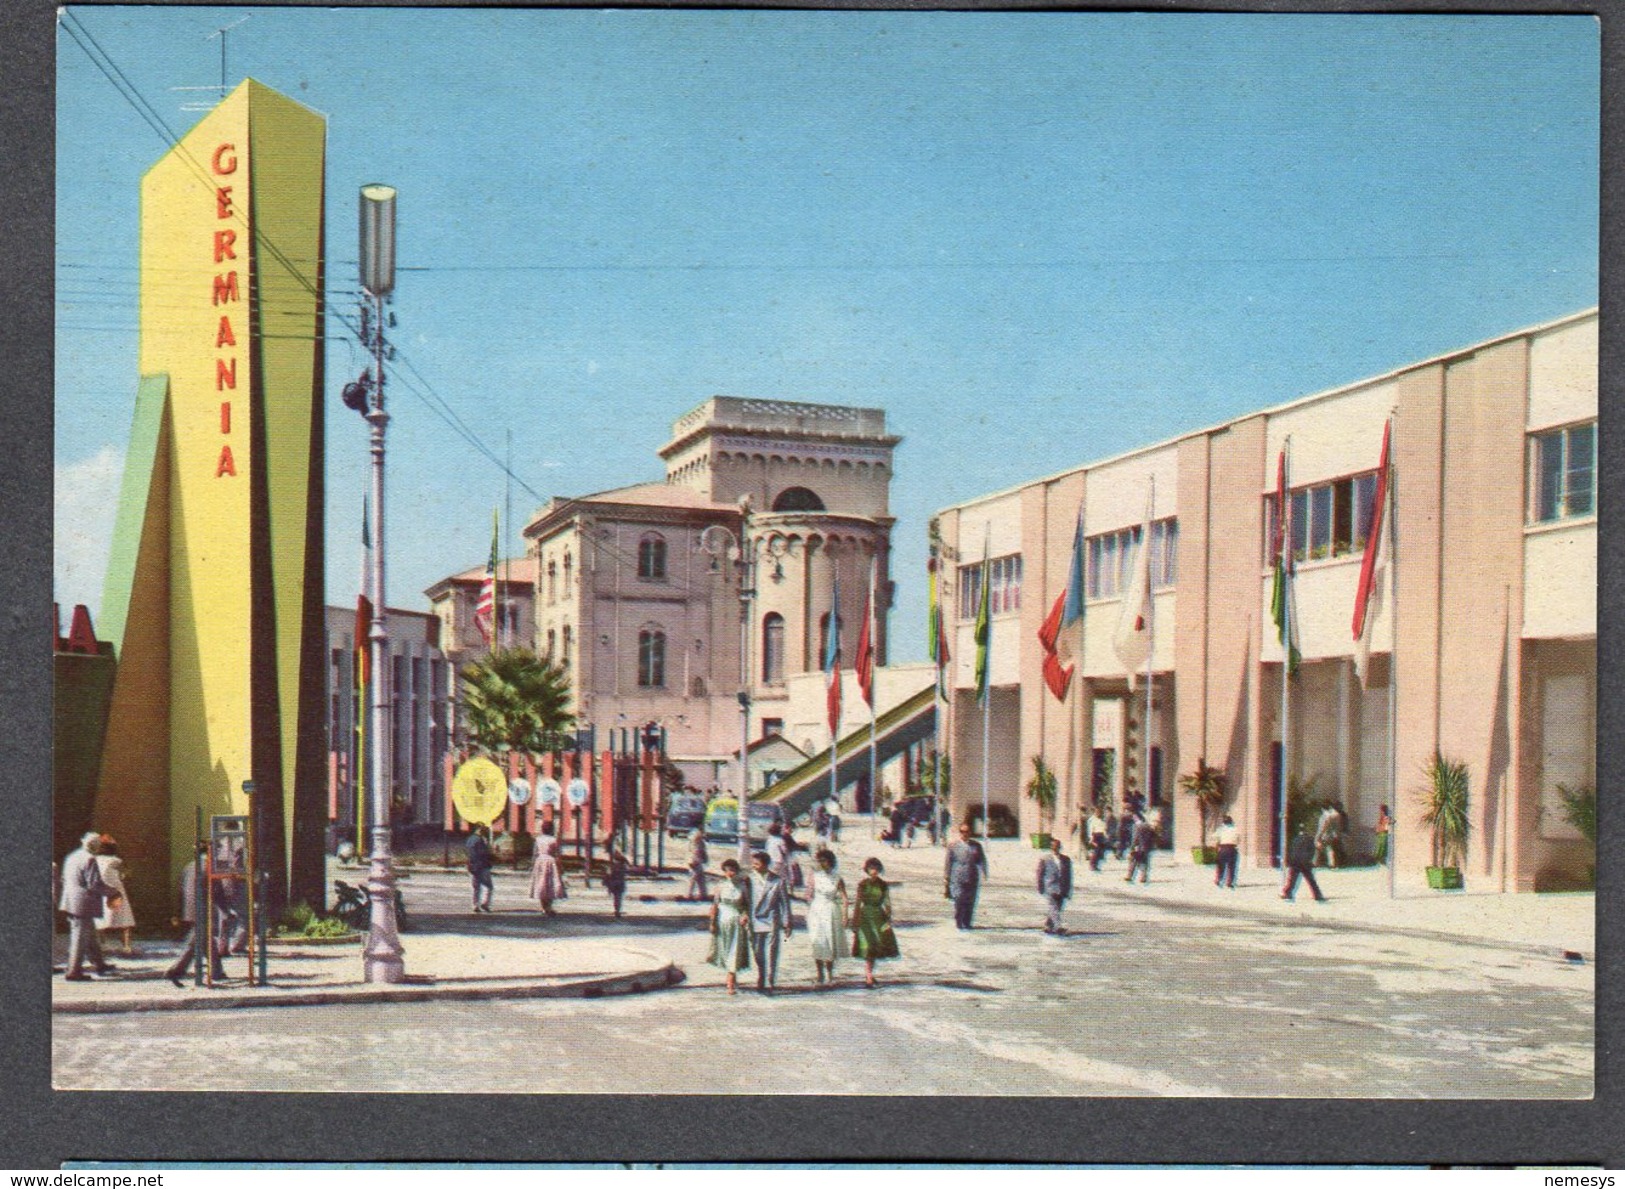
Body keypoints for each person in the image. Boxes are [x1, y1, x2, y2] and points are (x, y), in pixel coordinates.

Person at [165, 846, 226, 988]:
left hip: (189, 909)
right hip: (203, 908)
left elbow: (180, 889)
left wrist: (178, 911)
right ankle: (175, 971)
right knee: (195, 942)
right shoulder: (209, 867)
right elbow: (217, 891)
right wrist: (225, 909)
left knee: (206, 940)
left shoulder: (189, 866)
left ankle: (217, 970)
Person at [59, 832, 114, 981]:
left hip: (71, 901)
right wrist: (113, 892)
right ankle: (73, 972)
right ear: (95, 846)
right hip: (83, 904)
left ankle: (100, 964)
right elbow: (95, 884)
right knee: (79, 938)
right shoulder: (90, 859)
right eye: (99, 844)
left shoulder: (73, 856)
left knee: (89, 935)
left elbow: (64, 879)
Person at [745, 850, 792, 993]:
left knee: (772, 950)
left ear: (765, 865)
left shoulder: (778, 881)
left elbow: (785, 903)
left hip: (772, 918)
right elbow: (744, 900)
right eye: (753, 863)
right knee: (757, 950)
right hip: (755, 919)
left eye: (757, 864)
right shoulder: (749, 879)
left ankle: (771, 978)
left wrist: (787, 923)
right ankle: (761, 973)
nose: (754, 866)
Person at [851, 856, 900, 987]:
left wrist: (888, 919)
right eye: (871, 868)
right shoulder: (862, 884)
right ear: (867, 869)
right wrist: (854, 921)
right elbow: (858, 903)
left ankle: (869, 974)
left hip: (878, 917)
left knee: (875, 949)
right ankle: (868, 977)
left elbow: (887, 902)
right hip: (865, 917)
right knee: (867, 948)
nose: (874, 871)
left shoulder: (883, 885)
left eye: (876, 868)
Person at [707, 858, 752, 994]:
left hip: (736, 921)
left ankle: (730, 982)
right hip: (722, 920)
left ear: (737, 871)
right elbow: (715, 905)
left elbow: (747, 906)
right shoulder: (720, 886)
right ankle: (732, 975)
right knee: (725, 950)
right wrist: (712, 923)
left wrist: (745, 915)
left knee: (734, 950)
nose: (730, 873)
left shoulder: (742, 887)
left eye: (732, 870)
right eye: (727, 871)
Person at [806, 848, 849, 986]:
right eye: (819, 861)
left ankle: (830, 974)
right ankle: (819, 974)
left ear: (830, 861)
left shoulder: (837, 877)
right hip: (816, 910)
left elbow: (844, 898)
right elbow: (809, 894)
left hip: (831, 910)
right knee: (817, 941)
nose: (821, 863)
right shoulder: (815, 876)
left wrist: (845, 915)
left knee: (830, 941)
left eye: (823, 860)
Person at [94, 836, 137, 955]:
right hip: (117, 890)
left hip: (102, 890)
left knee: (100, 918)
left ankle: (102, 944)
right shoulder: (117, 860)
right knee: (124, 918)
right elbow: (126, 875)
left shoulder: (95, 860)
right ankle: (127, 946)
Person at [944, 822, 988, 930]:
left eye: (967, 832)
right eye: (962, 832)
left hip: (972, 876)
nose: (964, 834)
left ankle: (967, 922)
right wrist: (946, 877)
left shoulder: (976, 845)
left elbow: (982, 860)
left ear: (970, 832)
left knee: (970, 901)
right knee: (959, 900)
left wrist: (984, 872)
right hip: (957, 877)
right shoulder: (953, 846)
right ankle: (959, 922)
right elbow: (948, 862)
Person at [1036, 836, 1073, 935]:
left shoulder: (1066, 859)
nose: (1055, 848)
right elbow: (1040, 873)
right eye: (1053, 846)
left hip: (1062, 887)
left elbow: (1069, 875)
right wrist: (1040, 886)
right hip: (1050, 886)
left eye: (1057, 846)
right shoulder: (1045, 859)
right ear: (1051, 847)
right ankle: (1058, 927)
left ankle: (1048, 925)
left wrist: (1069, 890)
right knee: (1053, 907)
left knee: (1058, 907)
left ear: (1060, 847)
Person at [528, 821, 567, 915]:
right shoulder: (554, 840)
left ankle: (544, 907)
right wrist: (561, 866)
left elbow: (535, 853)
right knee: (551, 884)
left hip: (540, 861)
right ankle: (548, 907)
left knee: (541, 883)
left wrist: (532, 864)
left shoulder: (538, 839)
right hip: (551, 861)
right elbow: (557, 854)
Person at [1282, 823, 1327, 901]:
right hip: (1304, 863)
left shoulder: (1295, 839)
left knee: (1292, 879)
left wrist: (1289, 861)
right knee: (1311, 880)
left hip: (1295, 862)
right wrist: (1310, 861)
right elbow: (1311, 851)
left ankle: (1287, 893)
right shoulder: (1310, 839)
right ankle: (1317, 895)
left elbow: (1291, 851)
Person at [466, 825, 494, 913]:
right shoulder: (481, 840)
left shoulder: (470, 839)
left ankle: (475, 905)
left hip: (473, 865)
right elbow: (483, 853)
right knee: (489, 886)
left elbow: (469, 853)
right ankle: (485, 904)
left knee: (476, 887)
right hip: (482, 866)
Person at [1124, 813, 1156, 884]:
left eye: (1134, 818)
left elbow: (1135, 838)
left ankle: (1129, 876)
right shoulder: (1148, 826)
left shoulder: (1137, 826)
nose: (1133, 819)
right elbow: (1153, 837)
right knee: (1144, 862)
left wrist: (1132, 847)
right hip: (1146, 847)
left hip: (1138, 847)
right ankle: (1143, 877)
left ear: (1138, 818)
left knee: (1133, 861)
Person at [1213, 814, 1240, 889]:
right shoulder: (1236, 829)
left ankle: (1218, 880)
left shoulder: (1221, 829)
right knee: (1231, 866)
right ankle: (1229, 882)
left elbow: (1214, 837)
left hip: (1223, 848)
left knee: (1221, 866)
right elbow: (1238, 840)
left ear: (1223, 822)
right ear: (1231, 822)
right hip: (1232, 848)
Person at [1315, 803, 1344, 868]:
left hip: (1327, 834)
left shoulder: (1329, 815)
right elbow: (1339, 826)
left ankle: (1316, 862)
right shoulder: (1338, 815)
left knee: (1322, 847)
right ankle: (1333, 863)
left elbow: (1325, 825)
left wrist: (1320, 835)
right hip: (1335, 834)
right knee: (1332, 848)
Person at [604, 847, 629, 918]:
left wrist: (606, 882)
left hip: (614, 883)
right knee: (619, 897)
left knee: (616, 897)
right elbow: (626, 872)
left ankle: (617, 910)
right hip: (620, 883)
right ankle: (618, 910)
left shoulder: (612, 866)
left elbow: (608, 874)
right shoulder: (624, 866)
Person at [685, 829, 709, 902]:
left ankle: (701, 894)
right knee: (696, 878)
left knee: (698, 878)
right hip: (695, 862)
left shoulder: (697, 842)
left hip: (696, 862)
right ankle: (691, 894)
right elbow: (697, 852)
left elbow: (701, 852)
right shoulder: (697, 843)